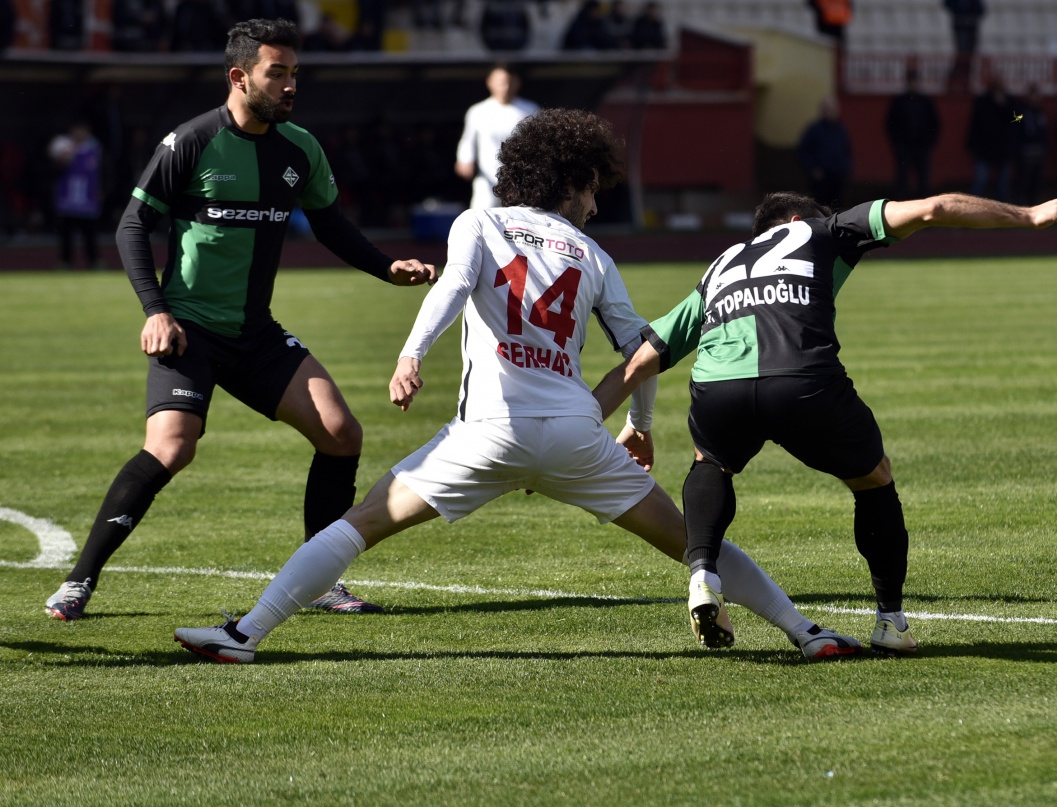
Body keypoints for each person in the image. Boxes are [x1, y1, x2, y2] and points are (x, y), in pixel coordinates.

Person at [174, 109, 864, 664]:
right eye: (593, 188)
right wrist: (640, 424)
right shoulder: (593, 254)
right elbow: (643, 349)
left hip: (489, 433)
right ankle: (806, 632)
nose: (596, 203)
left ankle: (245, 634)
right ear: (572, 181)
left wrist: (411, 355)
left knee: (358, 525)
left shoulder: (480, 221)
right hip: (575, 435)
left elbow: (451, 287)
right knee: (690, 541)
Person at [43, 18, 438, 621]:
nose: (290, 85)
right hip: (189, 330)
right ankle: (79, 582)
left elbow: (331, 226)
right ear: (239, 77)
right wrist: (156, 311)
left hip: (255, 334)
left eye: (294, 73)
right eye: (276, 73)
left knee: (341, 433)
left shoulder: (300, 149)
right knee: (172, 447)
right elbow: (131, 226)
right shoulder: (192, 141)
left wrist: (387, 268)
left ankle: (319, 580)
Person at [589, 189, 1057, 656]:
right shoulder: (822, 230)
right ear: (794, 219)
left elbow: (638, 363)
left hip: (720, 389)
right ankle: (891, 623)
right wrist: (1029, 215)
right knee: (874, 479)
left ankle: (702, 575)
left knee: (711, 463)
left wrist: (587, 423)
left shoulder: (720, 266)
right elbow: (934, 208)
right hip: (802, 380)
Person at [454, 65, 539, 211]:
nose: (505, 87)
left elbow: (538, 143)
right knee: (481, 216)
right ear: (490, 82)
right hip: (487, 179)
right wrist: (464, 160)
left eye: (509, 82)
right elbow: (468, 140)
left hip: (521, 180)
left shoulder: (530, 109)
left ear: (517, 83)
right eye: (501, 82)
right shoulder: (478, 111)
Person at [49, 120, 104, 268]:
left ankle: (94, 261)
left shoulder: (95, 148)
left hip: (88, 199)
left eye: (83, 130)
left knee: (90, 233)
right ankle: (65, 261)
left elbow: (103, 172)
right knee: (66, 233)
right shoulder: (62, 147)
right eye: (77, 130)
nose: (80, 134)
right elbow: (53, 171)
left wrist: (102, 190)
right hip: (67, 199)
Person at [884, 70, 940, 196]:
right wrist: (897, 144)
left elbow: (934, 124)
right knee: (902, 181)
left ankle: (924, 206)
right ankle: (900, 205)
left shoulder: (925, 102)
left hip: (922, 148)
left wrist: (928, 143)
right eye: (911, 81)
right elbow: (890, 124)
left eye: (914, 81)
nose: (913, 84)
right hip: (904, 148)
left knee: (923, 182)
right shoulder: (899, 102)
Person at [796, 98, 852, 208]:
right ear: (822, 111)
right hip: (821, 178)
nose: (831, 112)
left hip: (838, 177)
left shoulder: (841, 129)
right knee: (820, 207)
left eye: (833, 109)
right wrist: (812, 168)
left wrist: (847, 168)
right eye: (828, 109)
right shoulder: (814, 130)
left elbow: (847, 151)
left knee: (838, 207)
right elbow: (803, 150)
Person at [966, 78, 1014, 201]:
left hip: (1004, 149)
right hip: (985, 149)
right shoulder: (983, 102)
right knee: (980, 180)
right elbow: (975, 124)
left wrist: (1004, 106)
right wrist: (971, 145)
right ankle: (972, 206)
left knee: (1003, 184)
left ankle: (1002, 209)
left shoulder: (1010, 101)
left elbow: (1018, 119)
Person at [942, 0, 985, 91]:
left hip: (972, 24)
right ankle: (955, 80)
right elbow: (947, 2)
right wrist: (960, 11)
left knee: (969, 54)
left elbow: (980, 5)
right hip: (960, 23)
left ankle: (964, 81)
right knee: (962, 53)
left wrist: (976, 13)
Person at [1012, 83, 1050, 205]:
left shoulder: (1040, 113)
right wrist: (1019, 148)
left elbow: (1044, 132)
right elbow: (1015, 127)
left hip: (1039, 151)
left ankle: (1034, 205)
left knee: (1036, 181)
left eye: (1036, 95)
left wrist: (1044, 147)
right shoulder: (1021, 111)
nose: (1034, 98)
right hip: (1025, 151)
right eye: (1032, 95)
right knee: (1023, 180)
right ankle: (1021, 206)